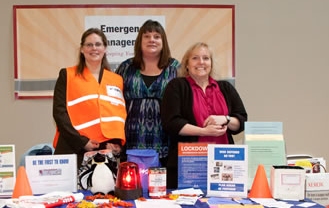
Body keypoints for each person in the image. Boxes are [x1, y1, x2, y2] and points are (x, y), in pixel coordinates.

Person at [161, 42, 247, 189]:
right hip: (190, 165)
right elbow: (171, 123)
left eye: (206, 58)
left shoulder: (226, 88)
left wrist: (225, 119)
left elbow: (242, 120)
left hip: (224, 162)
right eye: (195, 58)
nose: (201, 62)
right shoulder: (176, 86)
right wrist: (204, 131)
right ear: (186, 64)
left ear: (211, 64)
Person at [53, 28, 127, 166]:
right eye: (89, 45)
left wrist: (115, 143)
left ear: (105, 48)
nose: (94, 48)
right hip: (73, 148)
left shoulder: (116, 80)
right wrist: (82, 142)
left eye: (98, 44)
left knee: (104, 188)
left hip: (104, 151)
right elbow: (59, 114)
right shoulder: (67, 75)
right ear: (82, 49)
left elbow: (118, 115)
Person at [116, 20, 179, 166]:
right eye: (147, 36)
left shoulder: (176, 68)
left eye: (157, 36)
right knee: (134, 185)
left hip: (166, 139)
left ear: (163, 41)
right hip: (132, 139)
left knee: (163, 184)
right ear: (140, 41)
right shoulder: (126, 67)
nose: (152, 40)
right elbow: (115, 103)